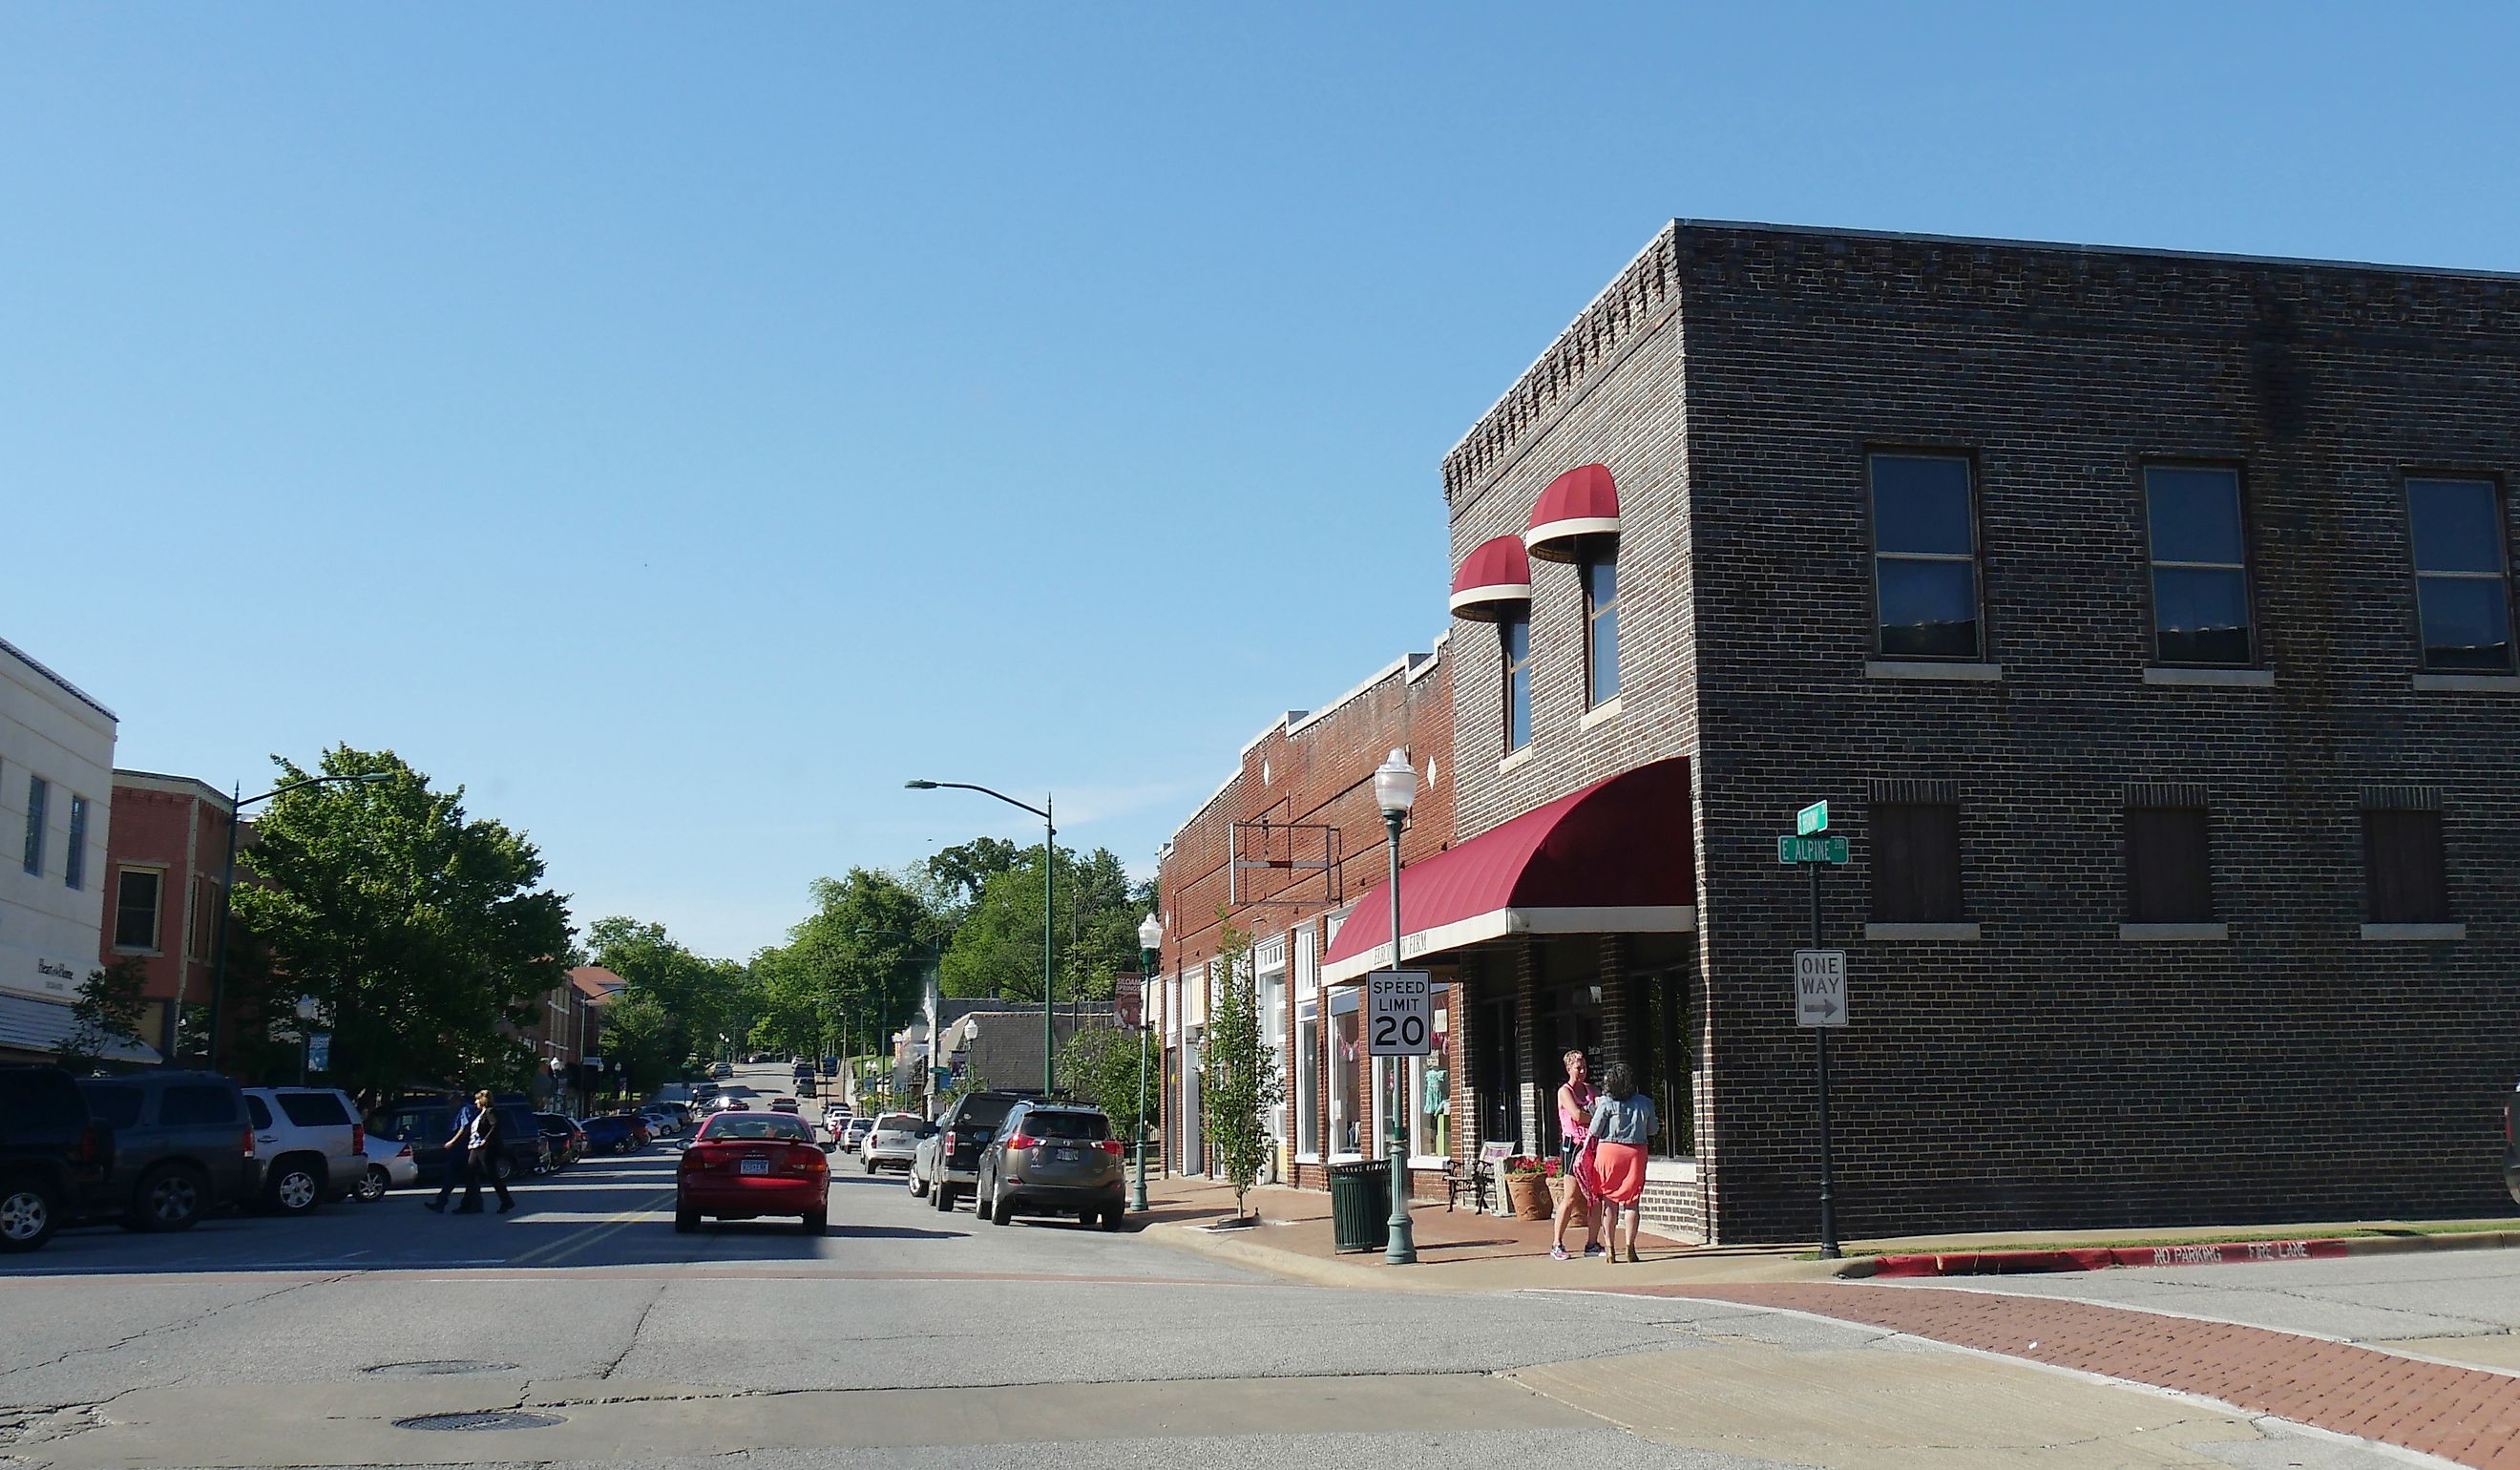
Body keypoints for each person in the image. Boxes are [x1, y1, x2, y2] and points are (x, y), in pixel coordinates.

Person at [1586, 1062, 1658, 1263]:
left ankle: (1609, 1248)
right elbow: (1653, 1130)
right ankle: (1630, 1247)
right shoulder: (1645, 1102)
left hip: (1609, 1151)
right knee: (1632, 1201)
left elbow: (1594, 1130)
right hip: (1636, 1152)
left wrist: (1594, 1108)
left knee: (1609, 1202)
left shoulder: (1606, 1103)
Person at [1549, 1049, 1600, 1261]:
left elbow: (1603, 1110)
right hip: (1573, 1147)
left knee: (1596, 1197)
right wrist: (1595, 1116)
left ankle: (1592, 1243)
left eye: (1584, 1067)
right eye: (1578, 1067)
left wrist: (1596, 1115)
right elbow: (1577, 1115)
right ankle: (1556, 1243)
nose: (1582, 1071)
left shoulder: (1592, 1090)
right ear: (1569, 1068)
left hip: (1592, 1146)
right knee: (1570, 1197)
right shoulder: (1564, 1091)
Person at [436, 1089, 515, 1215]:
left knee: (491, 1175)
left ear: (483, 1100)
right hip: (475, 1147)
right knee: (470, 1174)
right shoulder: (481, 1113)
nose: (475, 1102)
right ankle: (467, 1205)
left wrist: (485, 1140)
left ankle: (506, 1201)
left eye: (477, 1099)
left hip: (485, 1148)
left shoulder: (490, 1111)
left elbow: (495, 1126)